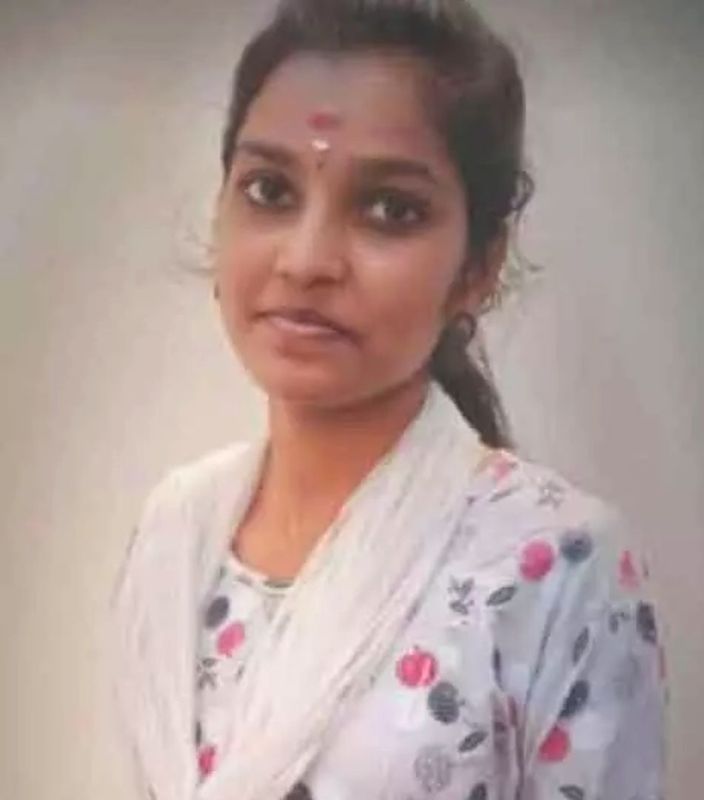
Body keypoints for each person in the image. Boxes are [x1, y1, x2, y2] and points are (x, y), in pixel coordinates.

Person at [110, 1, 667, 799]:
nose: (306, 260)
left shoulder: (558, 564)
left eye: (390, 210)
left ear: (477, 268)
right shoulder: (175, 531)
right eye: (269, 190)